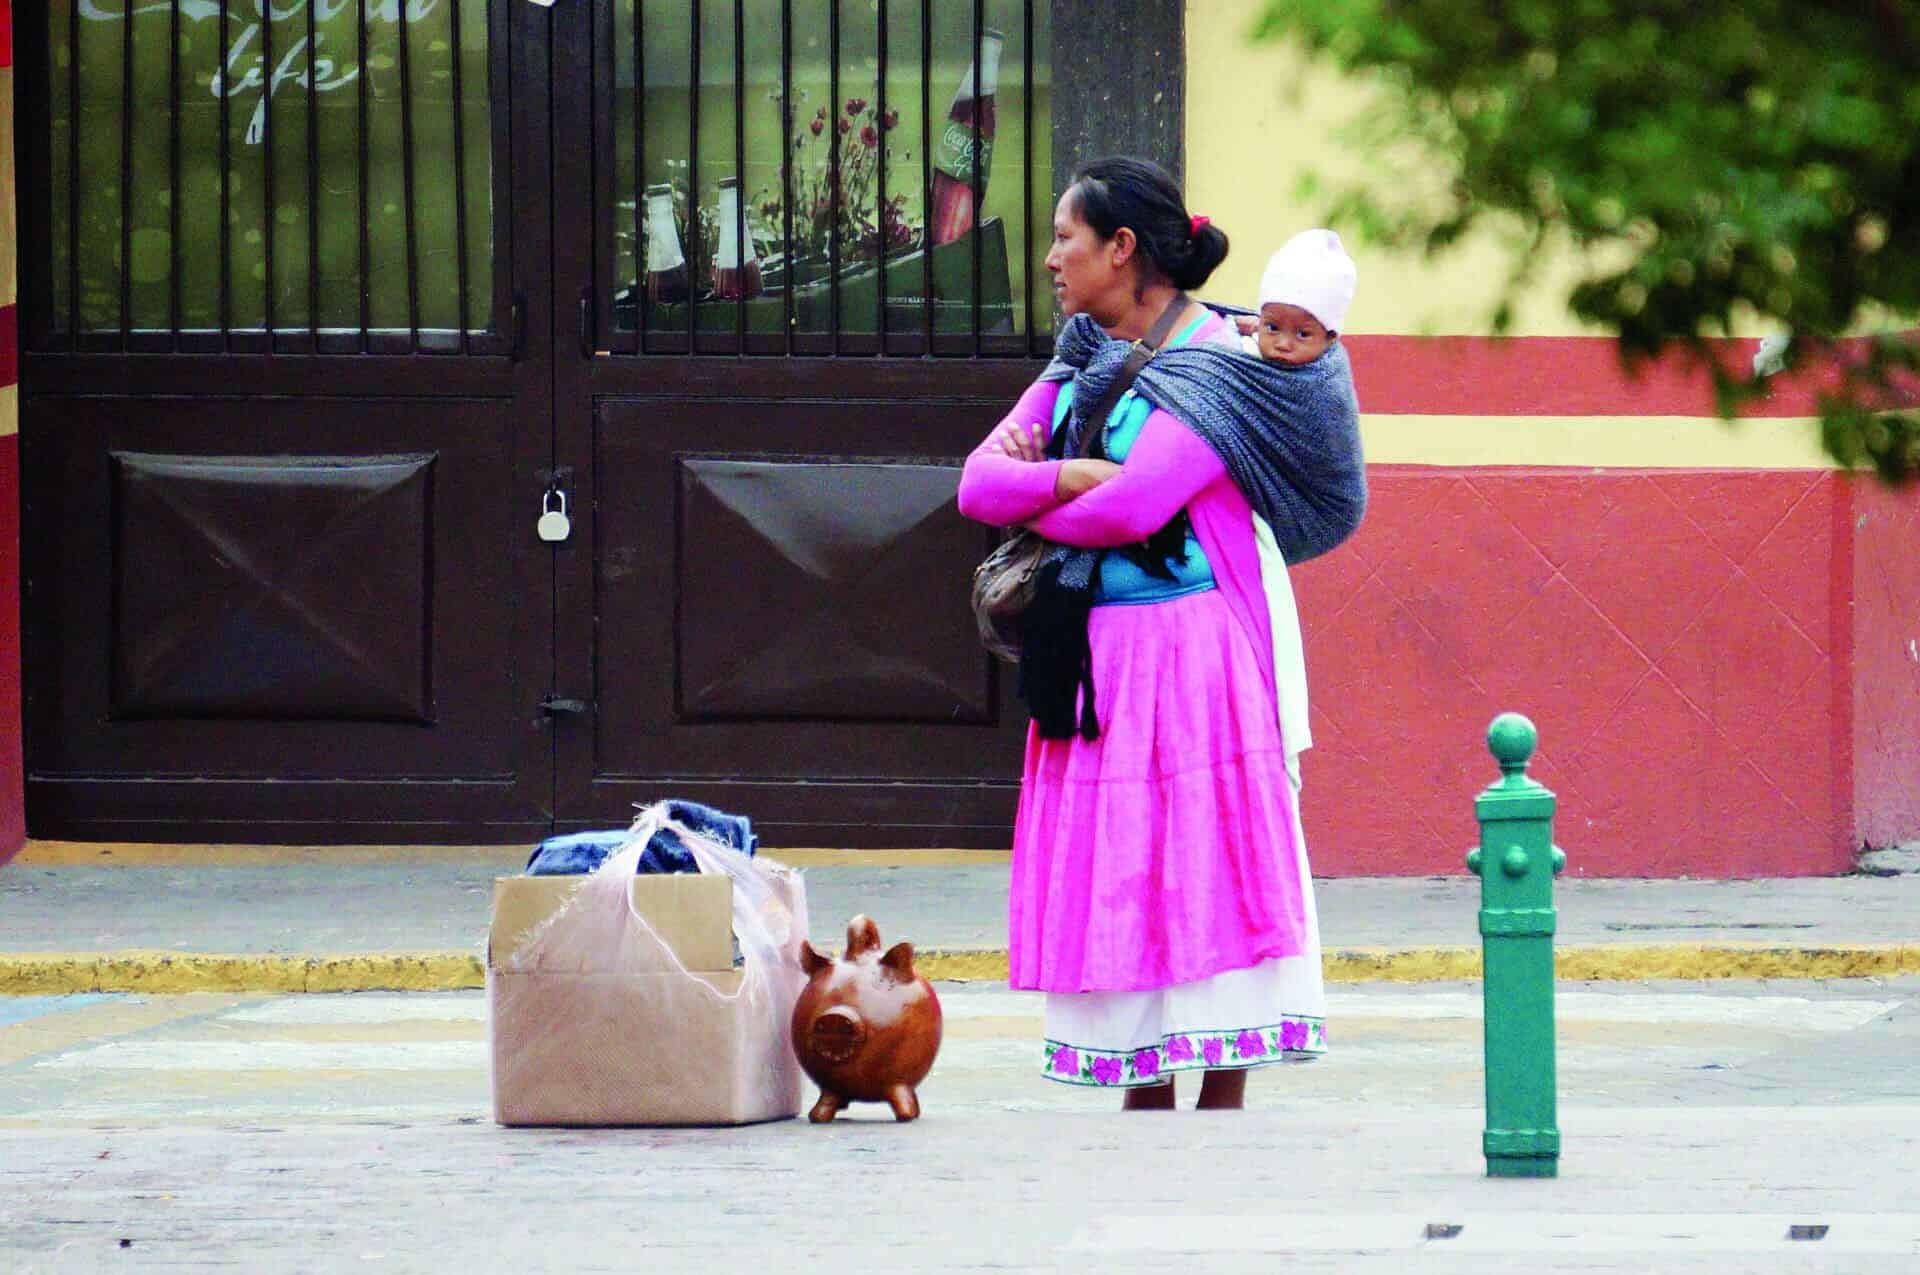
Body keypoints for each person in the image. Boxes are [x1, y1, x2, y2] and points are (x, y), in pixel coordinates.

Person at [957, 157, 1362, 1110]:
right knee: (1124, 857)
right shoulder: (1078, 359)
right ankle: (1143, 1085)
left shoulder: (1222, 363)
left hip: (1197, 653)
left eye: (1067, 237)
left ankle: (1220, 1092)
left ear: (1123, 248)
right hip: (1098, 657)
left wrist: (1062, 488)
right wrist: (1067, 479)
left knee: (1203, 850)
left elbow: (1135, 509)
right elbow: (976, 484)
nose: (1052, 257)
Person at [1238, 228, 1359, 367]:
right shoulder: (1239, 350)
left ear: (1330, 337)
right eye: (1273, 327)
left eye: (1303, 334)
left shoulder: (1330, 378)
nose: (1283, 345)